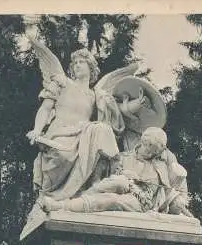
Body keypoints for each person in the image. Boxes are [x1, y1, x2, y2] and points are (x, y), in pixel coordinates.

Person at [26, 38, 146, 202]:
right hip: (60, 134)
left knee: (102, 129)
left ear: (91, 67)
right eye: (74, 63)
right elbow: (45, 108)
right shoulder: (62, 82)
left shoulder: (96, 95)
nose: (76, 65)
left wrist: (135, 104)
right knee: (65, 154)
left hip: (84, 136)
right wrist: (37, 130)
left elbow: (116, 112)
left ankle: (99, 182)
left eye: (81, 62)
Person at [39, 127, 192, 217]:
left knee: (112, 200)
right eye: (147, 145)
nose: (148, 151)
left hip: (143, 201)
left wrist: (179, 200)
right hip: (119, 186)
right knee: (119, 182)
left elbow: (177, 186)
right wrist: (128, 176)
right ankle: (74, 201)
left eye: (153, 150)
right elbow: (107, 175)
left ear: (157, 152)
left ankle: (62, 207)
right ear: (142, 141)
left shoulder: (162, 165)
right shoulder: (124, 157)